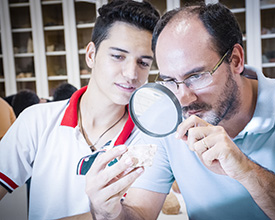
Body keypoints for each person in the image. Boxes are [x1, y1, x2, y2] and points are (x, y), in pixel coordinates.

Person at [84, 2, 275, 220]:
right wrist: (107, 212)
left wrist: (246, 171)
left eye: (196, 76)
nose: (184, 98)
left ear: (235, 60)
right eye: (170, 80)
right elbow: (139, 213)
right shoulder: (164, 118)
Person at [0, 1, 159, 219]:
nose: (132, 74)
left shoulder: (149, 138)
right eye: (118, 56)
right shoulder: (37, 121)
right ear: (91, 55)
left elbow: (138, 216)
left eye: (143, 63)